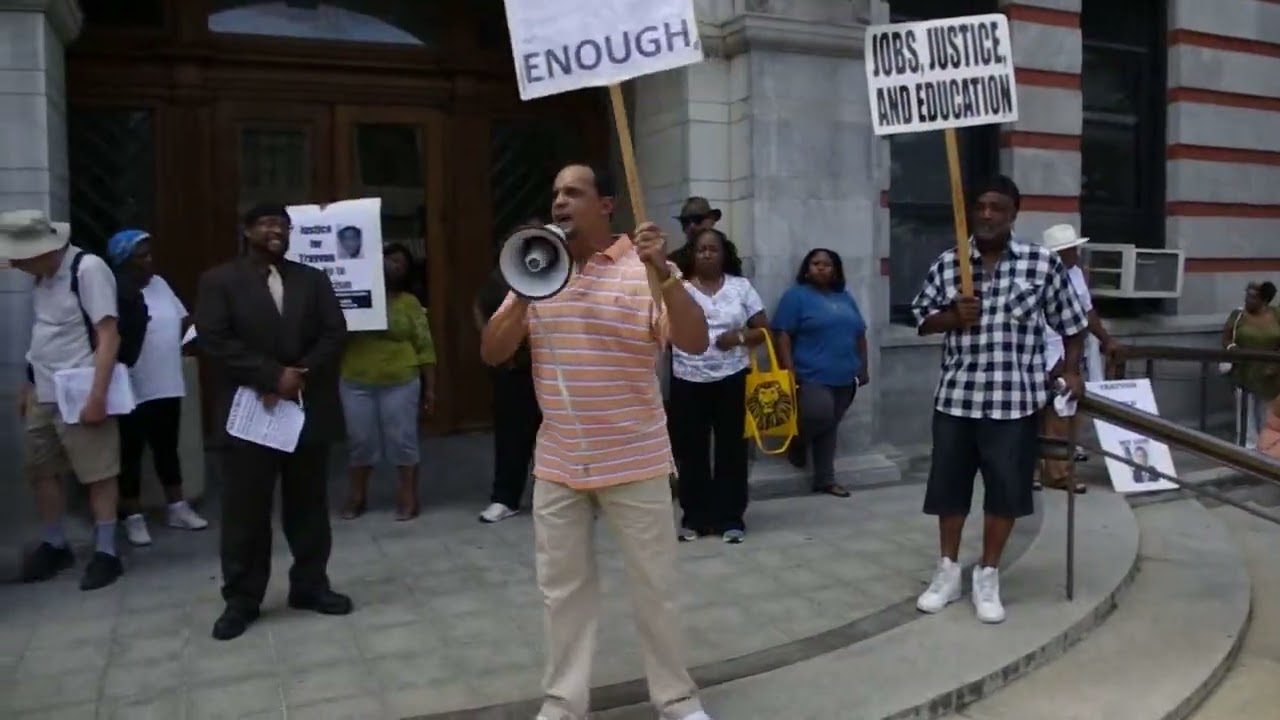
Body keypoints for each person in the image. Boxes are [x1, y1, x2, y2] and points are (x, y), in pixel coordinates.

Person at [480, 164, 714, 720]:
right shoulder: (538, 268)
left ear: (606, 205)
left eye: (574, 192)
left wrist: (664, 272)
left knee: (655, 589)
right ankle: (563, 702)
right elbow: (493, 352)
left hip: (636, 461)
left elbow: (696, 341)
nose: (560, 202)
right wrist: (521, 292)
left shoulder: (642, 268)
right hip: (560, 463)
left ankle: (677, 699)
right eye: (555, 192)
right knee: (561, 593)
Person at [910, 175, 1088, 625]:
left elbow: (1072, 322)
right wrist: (953, 316)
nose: (987, 214)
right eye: (981, 206)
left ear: (1013, 214)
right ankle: (948, 571)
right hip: (956, 399)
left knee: (1005, 493)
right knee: (948, 491)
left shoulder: (1041, 264)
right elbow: (922, 320)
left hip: (1015, 402)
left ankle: (987, 574)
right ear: (970, 212)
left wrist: (1071, 368)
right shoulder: (949, 264)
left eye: (998, 207)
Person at [196, 202, 351, 641]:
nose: (276, 231)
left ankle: (310, 586)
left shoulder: (312, 279)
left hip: (304, 409)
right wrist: (268, 375)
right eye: (266, 224)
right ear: (247, 231)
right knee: (245, 511)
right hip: (251, 414)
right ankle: (242, 600)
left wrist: (298, 375)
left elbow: (334, 333)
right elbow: (215, 338)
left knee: (308, 506)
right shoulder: (219, 281)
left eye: (282, 225)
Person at [2, 209, 125, 591]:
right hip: (42, 389)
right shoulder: (40, 276)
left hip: (80, 389)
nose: (17, 266)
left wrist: (98, 395)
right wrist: (28, 383)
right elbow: (44, 333)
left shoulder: (87, 270)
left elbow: (109, 336)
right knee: (42, 470)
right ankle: (55, 543)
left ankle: (106, 551)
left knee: (98, 472)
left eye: (21, 258)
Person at [106, 229, 208, 545]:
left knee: (167, 448)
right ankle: (132, 516)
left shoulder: (161, 285)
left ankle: (177, 507)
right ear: (123, 261)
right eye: (141, 257)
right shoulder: (114, 291)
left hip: (167, 380)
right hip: (130, 385)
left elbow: (181, 320)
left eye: (150, 255)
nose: (149, 262)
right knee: (130, 453)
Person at [668, 228, 767, 544]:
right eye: (701, 250)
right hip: (687, 379)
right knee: (691, 451)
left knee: (731, 450)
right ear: (692, 255)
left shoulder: (741, 288)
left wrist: (738, 337)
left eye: (713, 249)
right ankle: (695, 518)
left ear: (724, 254)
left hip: (732, 377)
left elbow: (764, 330)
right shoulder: (678, 289)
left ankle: (730, 518)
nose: (707, 254)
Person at [337, 242, 436, 521]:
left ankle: (408, 495)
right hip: (356, 380)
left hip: (401, 380)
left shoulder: (409, 302)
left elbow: (425, 345)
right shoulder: (352, 296)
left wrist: (430, 389)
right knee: (360, 440)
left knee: (402, 440)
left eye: (399, 263)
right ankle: (357, 496)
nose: (392, 266)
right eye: (388, 260)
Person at [1034, 224, 1124, 494]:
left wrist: (1106, 339)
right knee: (1042, 416)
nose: (1076, 253)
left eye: (1075, 248)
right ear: (1058, 253)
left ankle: (1058, 470)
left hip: (1073, 352)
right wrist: (1053, 359)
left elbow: (1087, 312)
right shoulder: (1041, 277)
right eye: (1070, 249)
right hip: (1046, 352)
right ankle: (1046, 472)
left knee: (1067, 414)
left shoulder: (1075, 274)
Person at [772, 248, 869, 498]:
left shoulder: (845, 298)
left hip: (846, 375)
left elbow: (860, 333)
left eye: (827, 264)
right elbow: (782, 333)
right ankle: (798, 441)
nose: (821, 268)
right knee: (820, 414)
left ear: (835, 270)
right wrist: (788, 368)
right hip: (811, 373)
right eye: (815, 263)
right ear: (807, 268)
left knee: (830, 426)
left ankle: (825, 480)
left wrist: (864, 366)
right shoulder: (796, 297)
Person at [475, 218, 544, 524]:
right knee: (510, 437)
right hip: (513, 371)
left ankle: (565, 497)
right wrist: (496, 345)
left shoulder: (559, 270)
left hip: (551, 369)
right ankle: (506, 498)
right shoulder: (501, 277)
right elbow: (478, 308)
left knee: (556, 437)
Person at [1221, 281, 1280, 449]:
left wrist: (1276, 364)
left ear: (1264, 300)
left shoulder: (1276, 314)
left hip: (1270, 374)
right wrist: (1233, 348)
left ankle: (1267, 447)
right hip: (1244, 372)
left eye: (1253, 297)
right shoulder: (1238, 315)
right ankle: (1247, 447)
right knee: (1245, 413)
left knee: (1267, 414)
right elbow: (1226, 338)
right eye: (1247, 295)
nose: (1248, 300)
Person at [667, 196, 722, 272]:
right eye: (686, 222)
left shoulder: (726, 255)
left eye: (698, 219)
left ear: (711, 221)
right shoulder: (674, 261)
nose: (692, 226)